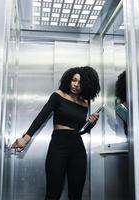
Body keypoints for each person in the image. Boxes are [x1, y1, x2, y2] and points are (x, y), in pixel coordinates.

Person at [11, 66, 101, 200]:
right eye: (74, 80)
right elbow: (41, 117)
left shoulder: (84, 103)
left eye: (80, 83)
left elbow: (81, 130)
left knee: (76, 194)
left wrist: (91, 123)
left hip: (77, 148)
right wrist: (26, 138)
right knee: (53, 193)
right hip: (58, 146)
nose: (75, 85)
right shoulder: (58, 96)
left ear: (87, 86)